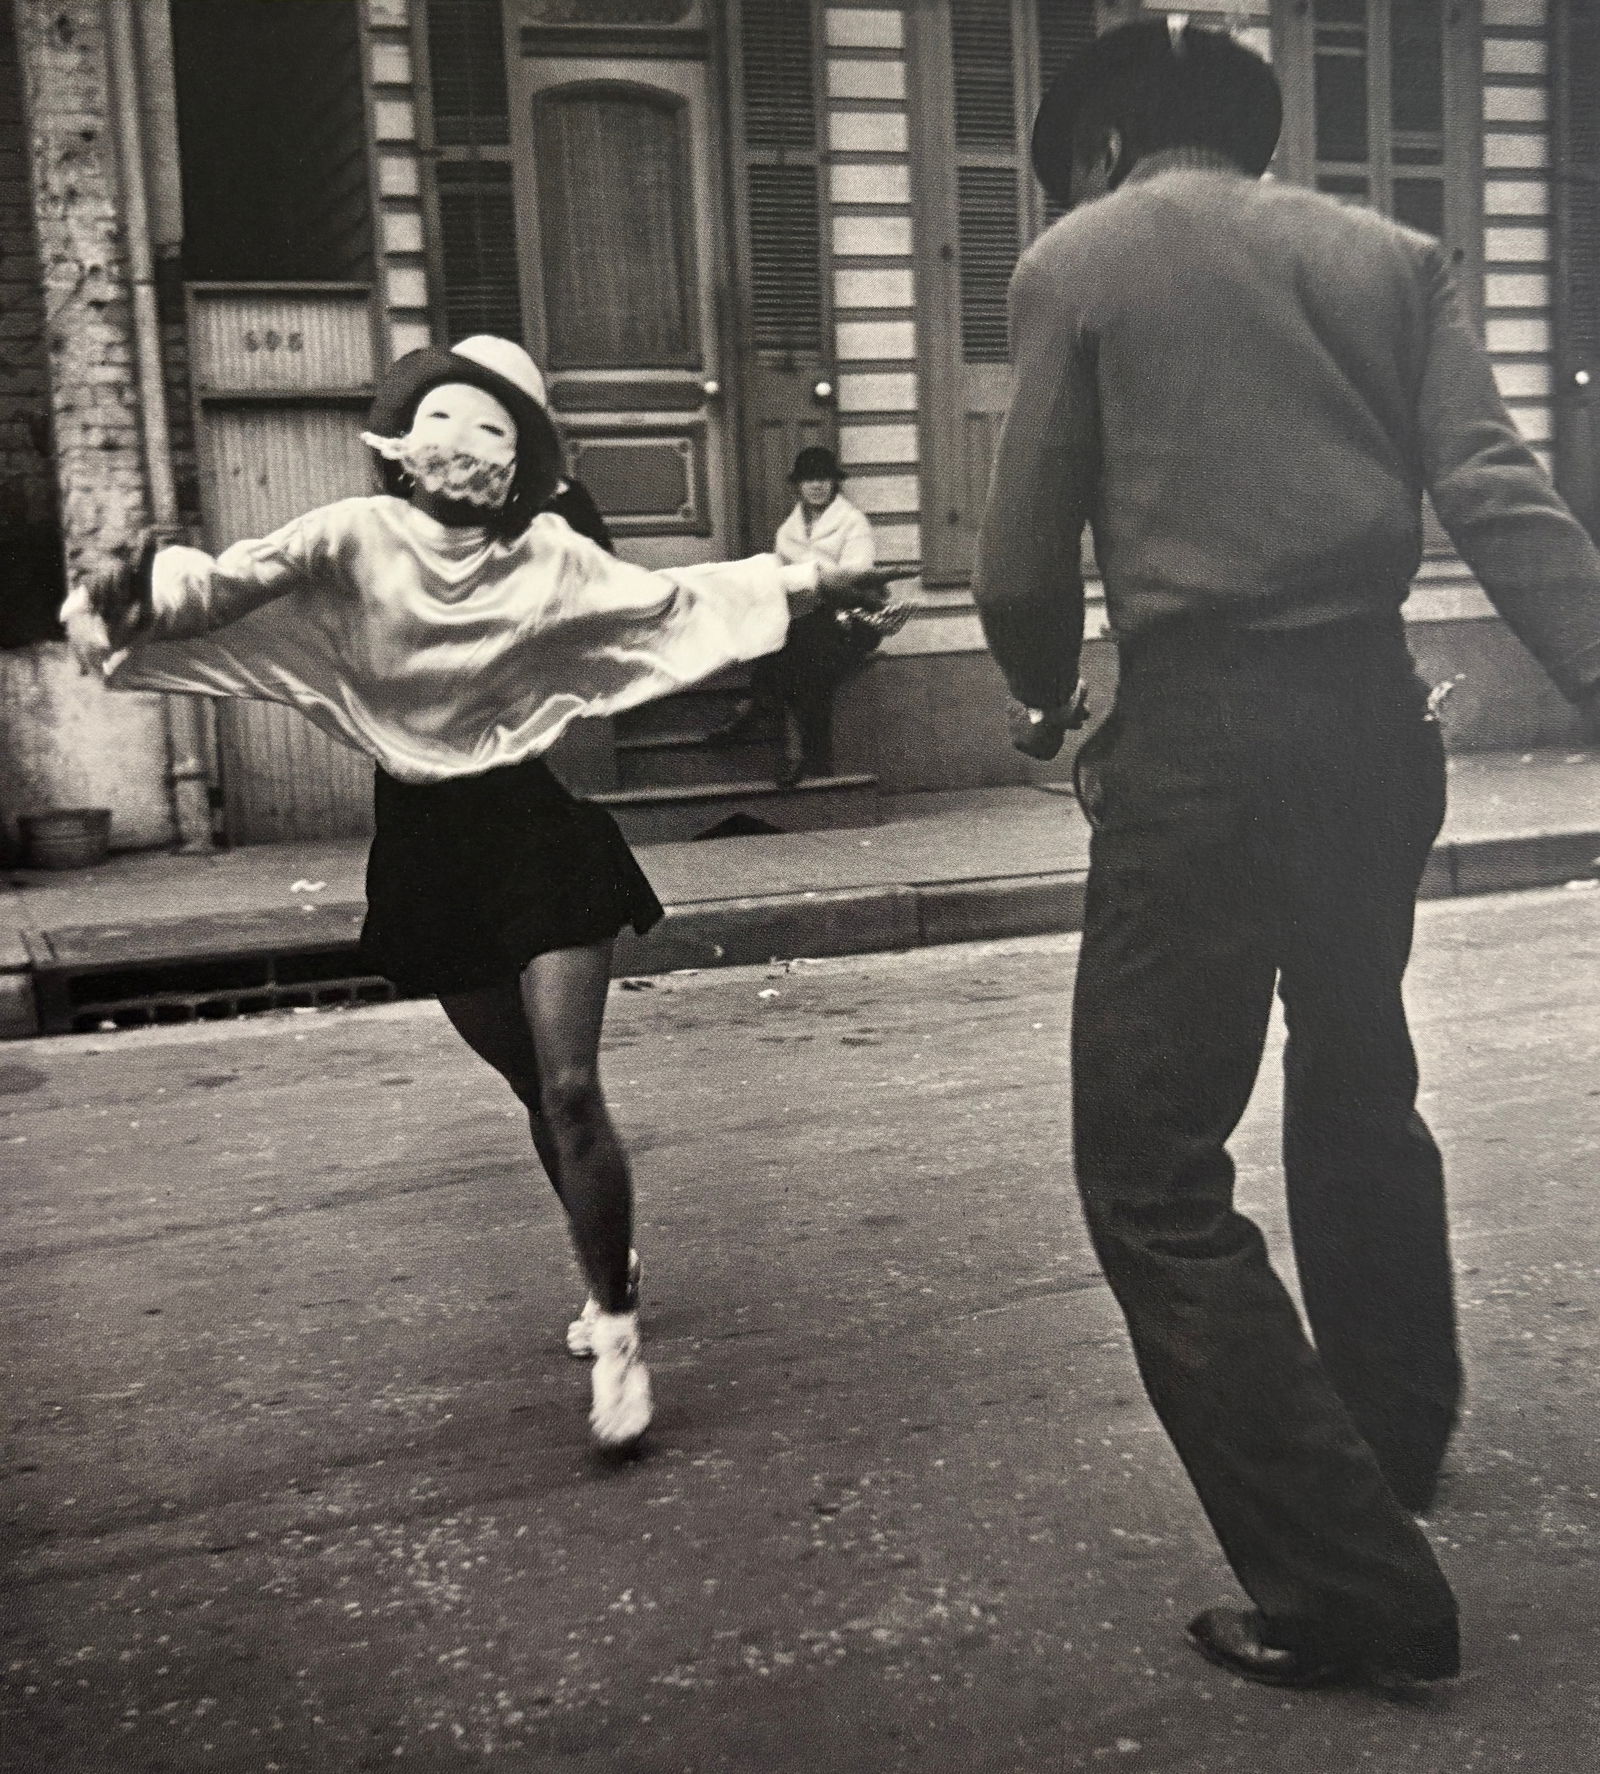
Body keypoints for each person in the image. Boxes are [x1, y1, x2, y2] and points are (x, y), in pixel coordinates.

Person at [973, 20, 1600, 1689]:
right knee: (1357, 1061)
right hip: (1375, 723)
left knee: (1153, 1170)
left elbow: (1023, 561)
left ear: (1102, 147)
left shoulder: (1081, 258)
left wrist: (1046, 702)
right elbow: (1497, 487)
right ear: (1248, 138)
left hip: (1203, 738)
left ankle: (1351, 1585)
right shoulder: (1392, 255)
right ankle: (1394, 1433)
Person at [62, 335, 891, 1454]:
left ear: (523, 459)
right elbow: (226, 585)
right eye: (447, 418)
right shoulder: (350, 537)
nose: (465, 443)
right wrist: (134, 593)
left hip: (532, 830)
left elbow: (669, 597)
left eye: (497, 427)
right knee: (531, 1091)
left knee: (572, 1087)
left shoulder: (547, 554)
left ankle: (615, 1328)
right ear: (404, 443)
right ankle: (611, 1248)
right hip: (424, 850)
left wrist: (806, 578)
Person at [714, 446, 909, 785]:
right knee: (794, 652)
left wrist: (811, 576)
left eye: (824, 478)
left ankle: (759, 708)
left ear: (834, 483)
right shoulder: (787, 531)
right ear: (798, 485)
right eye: (809, 479)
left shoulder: (852, 522)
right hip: (806, 620)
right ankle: (802, 752)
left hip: (850, 618)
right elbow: (778, 581)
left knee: (798, 648)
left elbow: (856, 578)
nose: (817, 485)